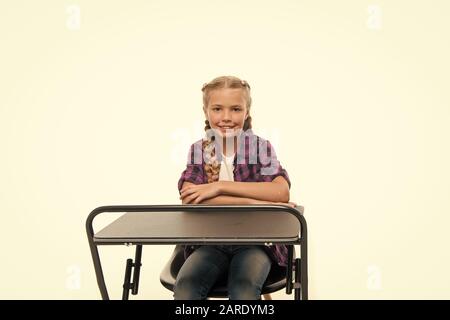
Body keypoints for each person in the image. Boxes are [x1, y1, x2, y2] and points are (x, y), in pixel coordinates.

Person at [175, 75, 296, 300]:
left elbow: (281, 192)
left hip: (256, 242)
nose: (226, 118)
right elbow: (189, 198)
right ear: (206, 111)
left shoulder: (260, 148)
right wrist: (255, 202)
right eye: (218, 109)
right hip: (210, 242)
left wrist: (219, 187)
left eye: (236, 109)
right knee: (185, 289)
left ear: (247, 112)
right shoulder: (200, 150)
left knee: (243, 290)